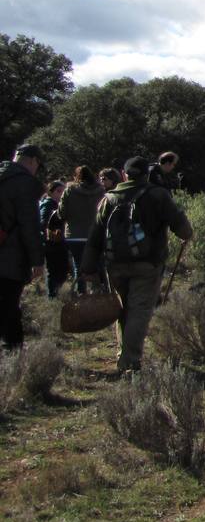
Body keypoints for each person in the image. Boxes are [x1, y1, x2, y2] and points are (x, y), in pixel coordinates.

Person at [81, 157, 193, 372]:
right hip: (148, 263)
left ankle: (123, 354)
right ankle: (130, 360)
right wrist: (186, 234)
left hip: (114, 263)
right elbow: (182, 227)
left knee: (121, 309)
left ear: (124, 175)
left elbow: (95, 236)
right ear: (146, 174)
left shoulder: (109, 198)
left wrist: (87, 267)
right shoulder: (157, 195)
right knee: (139, 310)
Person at [0, 145, 47, 350]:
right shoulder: (24, 183)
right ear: (33, 161)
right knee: (9, 306)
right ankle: (13, 352)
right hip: (11, 256)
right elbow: (29, 225)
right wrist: (36, 261)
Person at [59, 166, 106, 294]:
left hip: (74, 235)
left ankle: (81, 294)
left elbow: (61, 213)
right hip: (96, 234)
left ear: (77, 176)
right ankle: (100, 293)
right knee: (98, 264)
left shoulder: (69, 190)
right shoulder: (101, 190)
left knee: (78, 265)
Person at [39, 180, 69, 297]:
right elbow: (43, 222)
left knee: (61, 269)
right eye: (58, 191)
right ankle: (52, 296)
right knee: (54, 270)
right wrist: (52, 229)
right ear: (51, 192)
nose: (61, 194)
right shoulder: (48, 204)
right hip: (51, 243)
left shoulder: (58, 204)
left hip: (58, 242)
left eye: (63, 191)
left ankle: (56, 293)